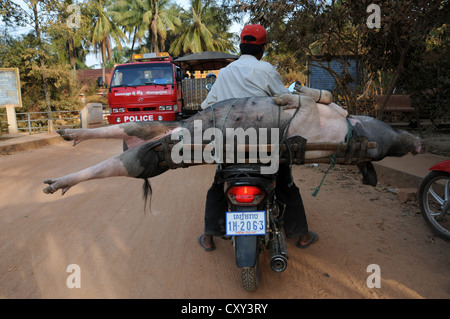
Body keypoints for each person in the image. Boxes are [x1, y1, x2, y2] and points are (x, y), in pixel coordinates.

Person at [198, 24, 318, 251]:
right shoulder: (266, 71)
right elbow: (285, 99)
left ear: (240, 46)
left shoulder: (224, 74)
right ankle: (302, 236)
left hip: (230, 148)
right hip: (265, 147)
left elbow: (208, 106)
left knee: (217, 185)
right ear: (262, 49)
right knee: (285, 183)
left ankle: (208, 236)